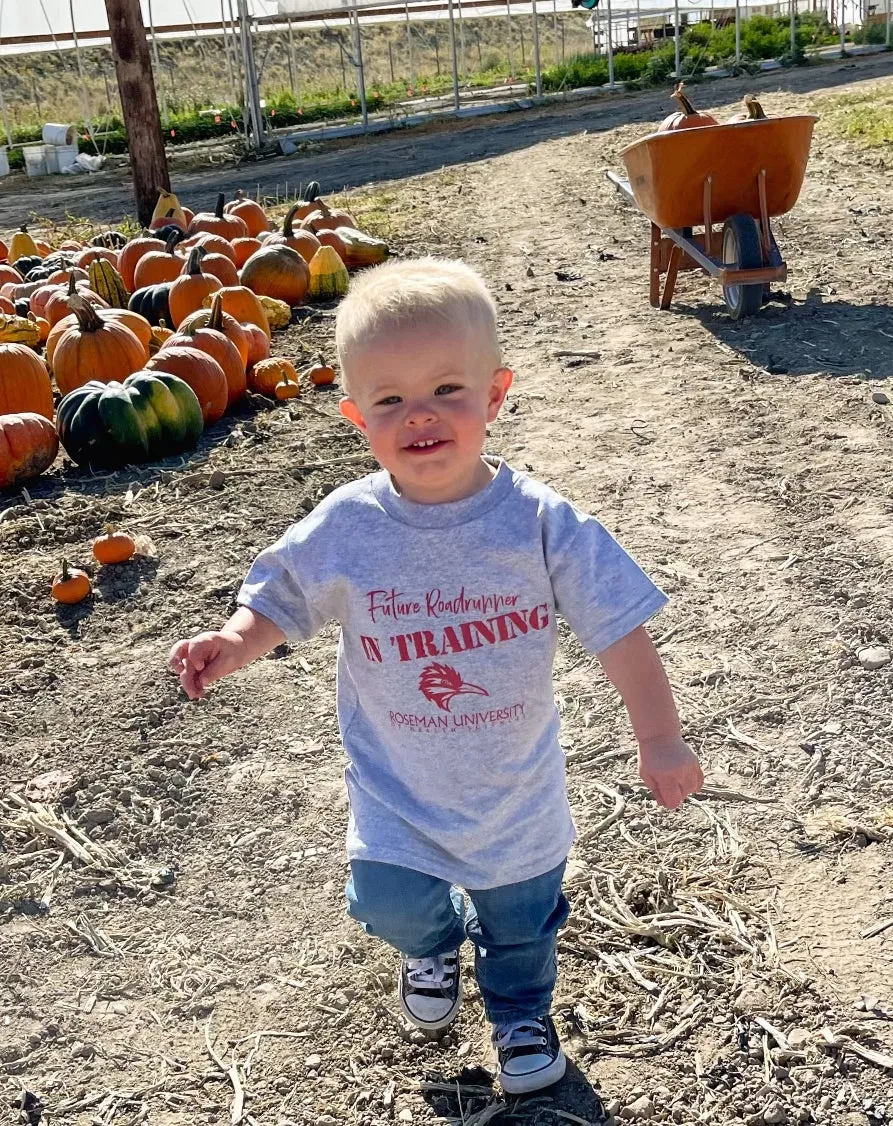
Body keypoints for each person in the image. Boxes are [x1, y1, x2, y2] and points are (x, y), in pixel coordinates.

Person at [169, 257, 704, 1095]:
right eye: (389, 400)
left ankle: (520, 1013)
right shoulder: (347, 524)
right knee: (388, 901)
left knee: (521, 924)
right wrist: (235, 640)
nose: (418, 415)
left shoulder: (539, 522)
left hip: (514, 789)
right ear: (356, 417)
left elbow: (619, 632)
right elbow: (284, 597)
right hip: (397, 788)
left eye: (446, 390)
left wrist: (660, 739)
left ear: (495, 395)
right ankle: (428, 948)